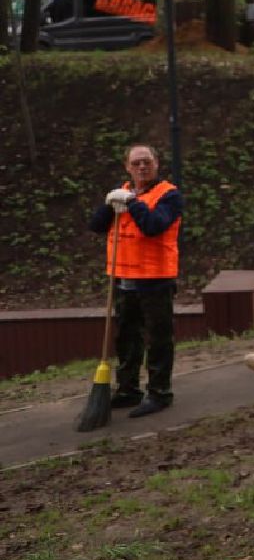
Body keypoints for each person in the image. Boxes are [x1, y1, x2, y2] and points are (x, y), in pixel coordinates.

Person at [87, 143, 183, 418]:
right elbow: (95, 226)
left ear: (156, 164)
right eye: (136, 163)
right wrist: (109, 205)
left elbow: (153, 226)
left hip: (155, 279)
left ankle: (159, 393)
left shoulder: (169, 196)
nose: (142, 167)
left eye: (147, 162)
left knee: (158, 338)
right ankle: (128, 390)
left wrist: (132, 203)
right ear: (127, 167)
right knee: (126, 337)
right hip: (123, 279)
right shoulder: (122, 193)